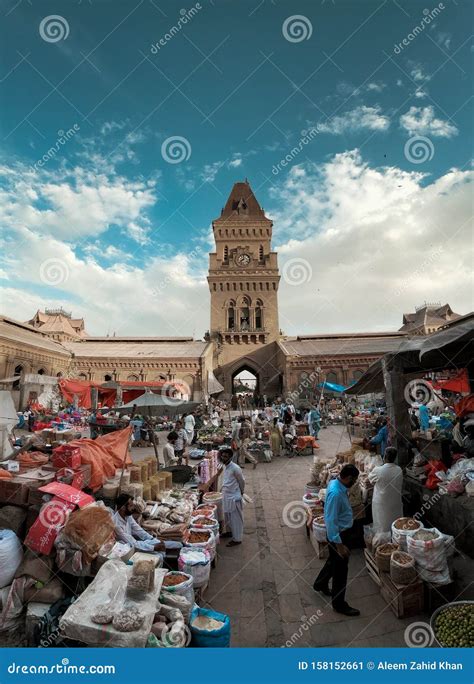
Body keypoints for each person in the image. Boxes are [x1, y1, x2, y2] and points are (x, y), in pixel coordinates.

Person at [313, 464, 360, 616]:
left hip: (340, 533)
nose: (354, 483)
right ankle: (339, 604)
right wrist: (339, 545)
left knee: (333, 561)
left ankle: (320, 583)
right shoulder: (335, 493)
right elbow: (331, 521)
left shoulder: (336, 482)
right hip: (338, 535)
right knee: (341, 571)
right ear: (348, 478)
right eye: (353, 480)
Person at [113, 494, 181, 559]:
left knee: (174, 544)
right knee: (159, 555)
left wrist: (153, 539)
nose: (133, 508)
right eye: (131, 506)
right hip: (127, 550)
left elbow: (138, 530)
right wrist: (153, 548)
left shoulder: (127, 516)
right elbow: (133, 543)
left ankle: (182, 547)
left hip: (136, 544)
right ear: (123, 508)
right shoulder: (117, 524)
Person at [368, 446, 403, 535]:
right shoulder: (399, 470)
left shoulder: (378, 470)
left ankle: (383, 541)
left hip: (382, 503)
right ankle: (394, 539)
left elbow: (370, 479)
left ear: (385, 457)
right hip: (395, 502)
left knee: (382, 526)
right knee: (395, 524)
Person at [218, 448, 245, 547]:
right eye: (222, 456)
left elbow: (241, 481)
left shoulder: (236, 468)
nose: (223, 458)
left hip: (234, 497)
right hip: (226, 495)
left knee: (236, 518)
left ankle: (237, 539)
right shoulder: (224, 466)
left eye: (225, 456)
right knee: (227, 516)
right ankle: (229, 532)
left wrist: (241, 492)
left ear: (230, 457)